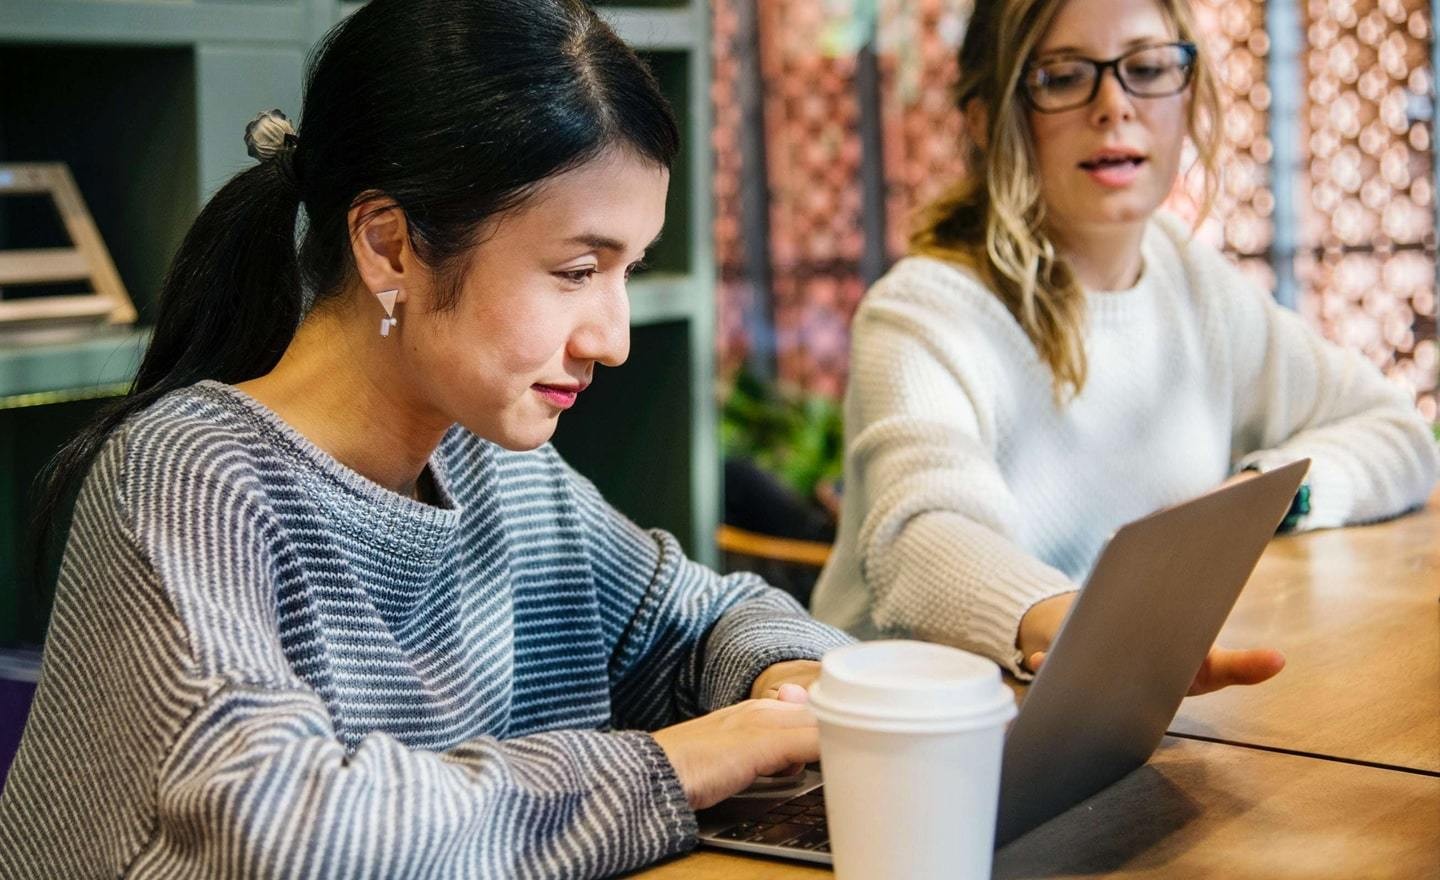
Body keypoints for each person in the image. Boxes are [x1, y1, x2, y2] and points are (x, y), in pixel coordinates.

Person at [0, 2, 851, 876]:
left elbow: (707, 622)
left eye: (628, 271)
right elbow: (276, 831)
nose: (614, 338)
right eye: (577, 272)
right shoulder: (188, 476)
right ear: (388, 246)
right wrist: (671, 767)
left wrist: (791, 680)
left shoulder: (491, 468)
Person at [811, 0, 1439, 683]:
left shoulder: (1189, 277)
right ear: (989, 121)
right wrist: (1088, 631)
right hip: (912, 746)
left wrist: (1264, 499)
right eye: (1062, 76)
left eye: (1145, 68)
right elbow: (923, 543)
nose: (1114, 105)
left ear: (1187, 94)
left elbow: (1396, 431)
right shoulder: (923, 311)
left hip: (1120, 715)